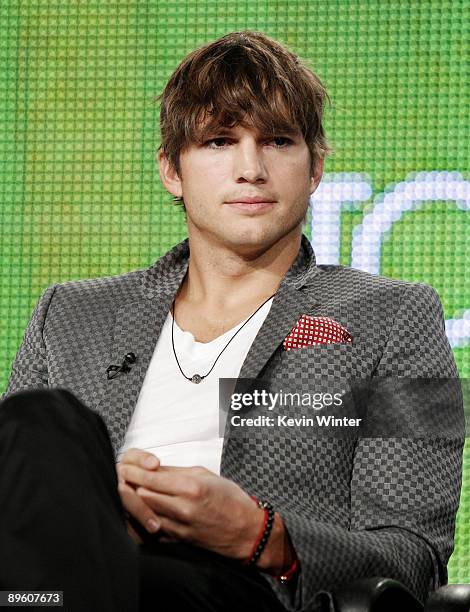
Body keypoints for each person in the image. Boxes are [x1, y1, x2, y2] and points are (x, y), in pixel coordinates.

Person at [0, 30, 464, 612]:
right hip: (61, 583)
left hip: (241, 593)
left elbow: (414, 554)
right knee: (42, 424)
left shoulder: (397, 316)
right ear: (172, 169)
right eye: (219, 141)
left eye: (277, 141)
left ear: (315, 167)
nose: (251, 168)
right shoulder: (69, 314)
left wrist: (260, 535)